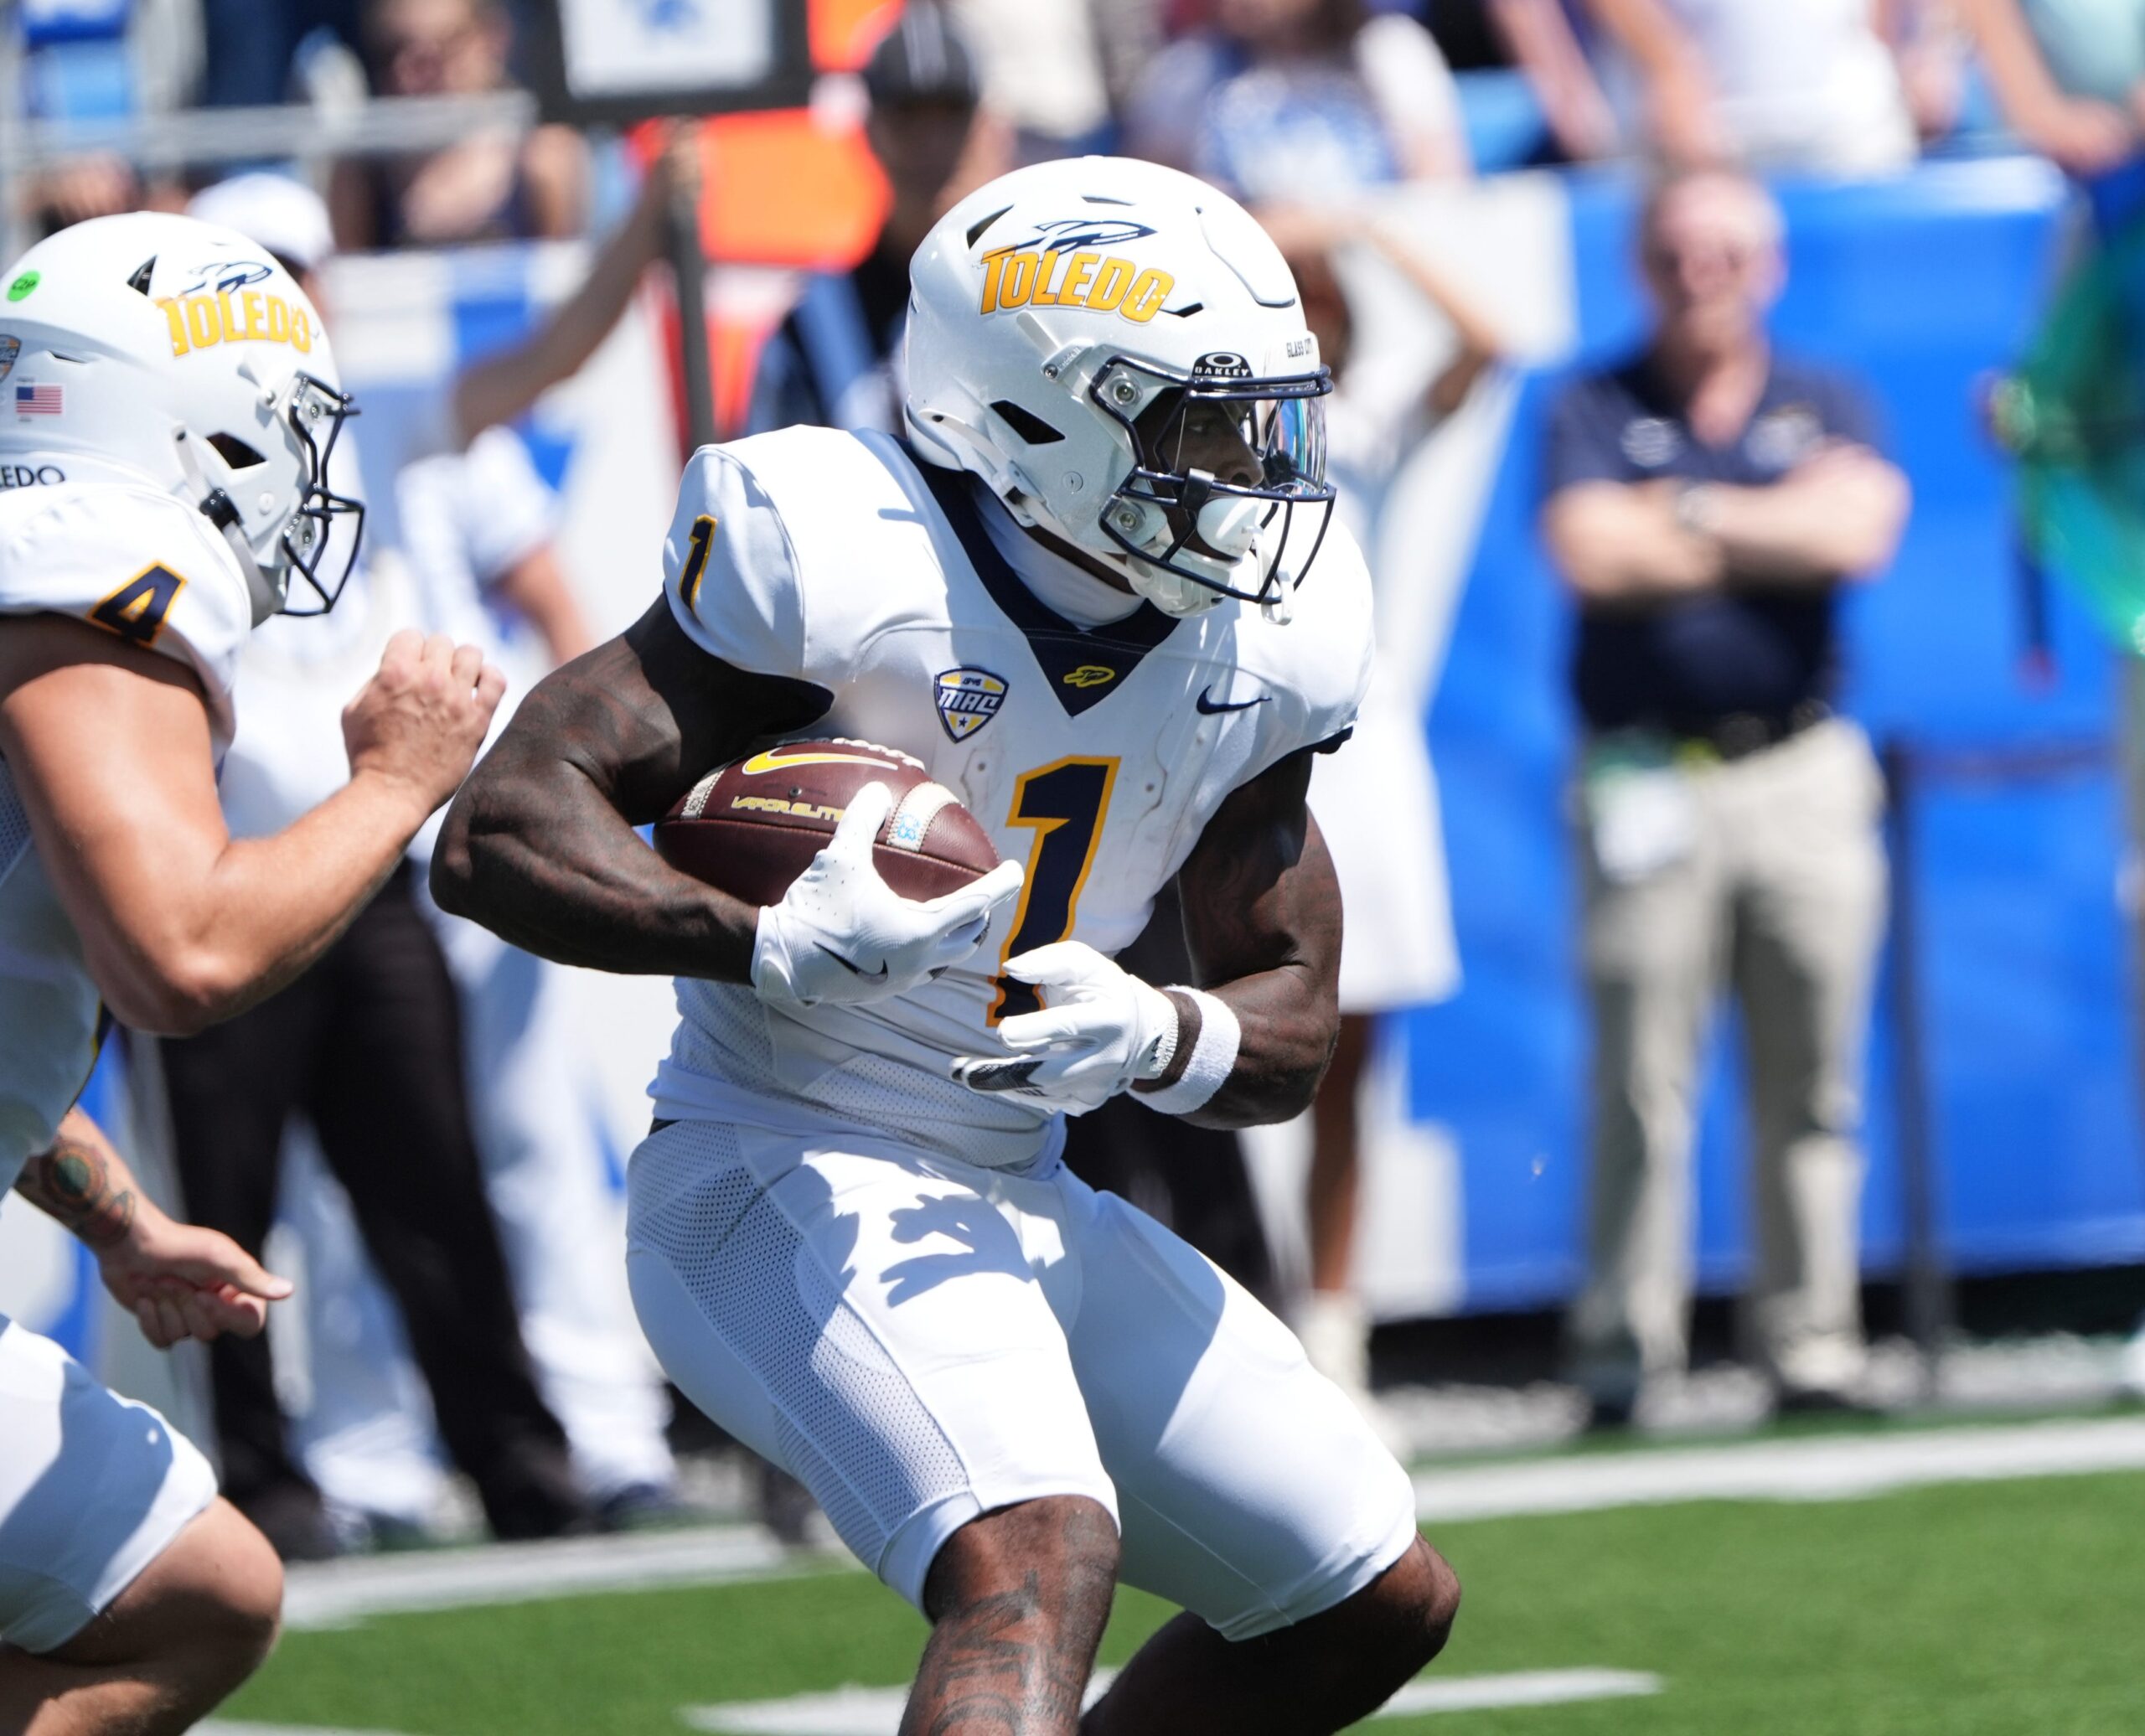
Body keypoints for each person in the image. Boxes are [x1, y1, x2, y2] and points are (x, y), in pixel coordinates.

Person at [433, 155, 1460, 1733]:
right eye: (1202, 427)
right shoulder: (840, 554)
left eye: (1265, 423)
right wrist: (755, 935)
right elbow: (500, 827)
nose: (1251, 477)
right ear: (1039, 414)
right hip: (776, 1163)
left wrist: (1156, 1034)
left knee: (1366, 1593)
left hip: (1019, 1179)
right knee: (1037, 1553)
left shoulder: (1270, 634)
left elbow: (1297, 1022)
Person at [0, 211, 499, 1731]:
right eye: (279, 428)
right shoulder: (97, 557)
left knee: (198, 1585)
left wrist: (122, 1215)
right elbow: (182, 951)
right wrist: (397, 784)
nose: (299, 471)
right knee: (198, 1595)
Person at [1539, 169, 1910, 1428]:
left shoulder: (1831, 394)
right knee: (1642, 1080)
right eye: (1679, 256)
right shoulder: (1593, 401)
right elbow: (1592, 552)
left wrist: (1686, 510)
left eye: (1729, 256)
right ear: (1645, 267)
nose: (1705, 278)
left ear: (1771, 267)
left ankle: (1813, 1346)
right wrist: (1770, 519)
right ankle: (1622, 1357)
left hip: (1802, 764)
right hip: (1646, 769)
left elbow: (1856, 535)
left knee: (1814, 1080)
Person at [1262, 204, 1508, 1426]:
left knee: (1347, 1065)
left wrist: (1362, 226)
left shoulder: (1363, 436)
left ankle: (1332, 1334)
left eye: (1318, 297)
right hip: (1228, 764)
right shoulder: (1195, 442)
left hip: (1356, 768)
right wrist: (1264, 230)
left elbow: (1487, 336)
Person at [747, 3, 1011, 437]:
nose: (930, 143)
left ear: (990, 129)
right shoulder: (813, 324)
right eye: (907, 116)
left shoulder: (1041, 295)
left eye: (950, 114)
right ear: (867, 131)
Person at [1124, 0, 1470, 203]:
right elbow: (1149, 200)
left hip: (1380, 282)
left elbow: (1439, 198)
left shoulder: (1389, 49)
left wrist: (1316, 231)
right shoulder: (1188, 70)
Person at [328, 0, 589, 250]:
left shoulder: (544, 157)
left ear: (492, 37)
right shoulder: (361, 171)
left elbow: (576, 285)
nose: (411, 76)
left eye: (439, 52)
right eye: (392, 54)